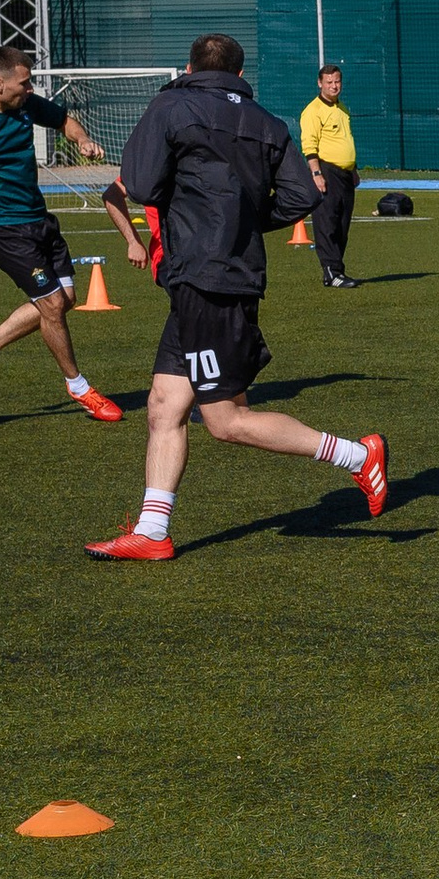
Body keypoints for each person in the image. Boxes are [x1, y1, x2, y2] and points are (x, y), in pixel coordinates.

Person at [85, 34, 388, 562]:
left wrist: (203, 219)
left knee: (224, 420)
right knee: (163, 405)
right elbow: (302, 195)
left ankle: (358, 455)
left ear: (189, 66)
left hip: (208, 279)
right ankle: (153, 530)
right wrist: (242, 223)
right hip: (219, 275)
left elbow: (135, 182)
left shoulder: (172, 103)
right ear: (238, 72)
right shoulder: (267, 121)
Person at [0, 44, 126, 421]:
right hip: (2, 227)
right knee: (52, 305)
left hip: (39, 220)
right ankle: (79, 387)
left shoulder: (24, 105)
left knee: (67, 297)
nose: (29, 89)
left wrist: (82, 139)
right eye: (23, 83)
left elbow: (62, 119)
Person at [299, 63, 364, 289]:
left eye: (337, 82)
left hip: (345, 174)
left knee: (342, 225)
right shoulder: (313, 111)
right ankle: (331, 271)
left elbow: (346, 141)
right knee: (327, 223)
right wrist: (316, 173)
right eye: (329, 82)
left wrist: (353, 169)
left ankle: (336, 271)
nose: (334, 86)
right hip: (327, 171)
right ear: (320, 83)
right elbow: (309, 145)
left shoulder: (342, 108)